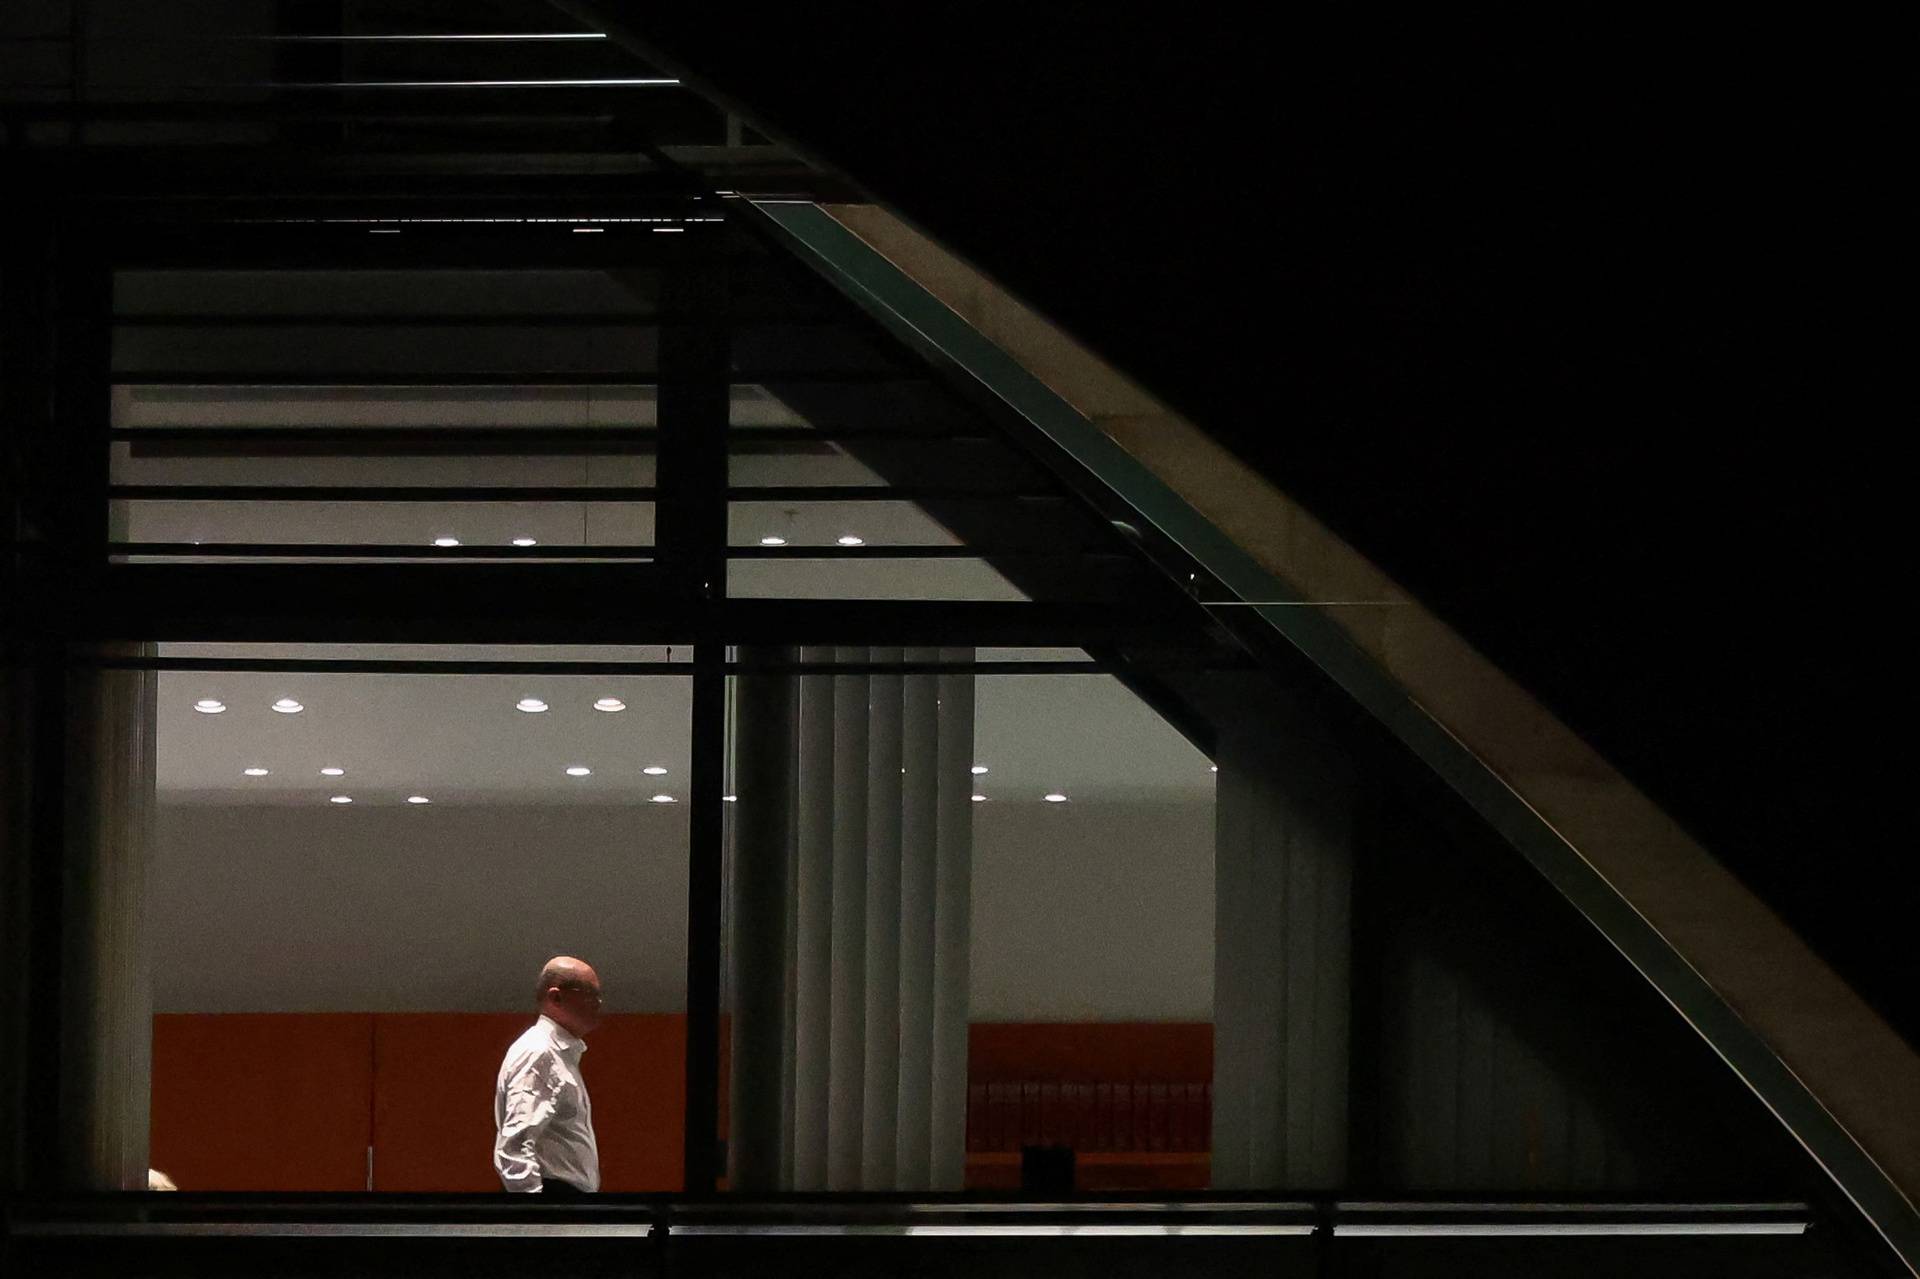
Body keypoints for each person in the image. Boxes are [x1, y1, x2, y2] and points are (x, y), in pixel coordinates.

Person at [493, 955, 604, 1194]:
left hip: (560, 1201)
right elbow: (515, 1148)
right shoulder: (540, 1053)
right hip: (554, 1200)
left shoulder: (554, 1054)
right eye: (588, 993)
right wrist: (540, 1217)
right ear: (556, 997)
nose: (598, 1002)